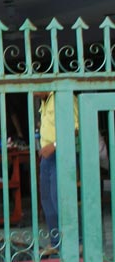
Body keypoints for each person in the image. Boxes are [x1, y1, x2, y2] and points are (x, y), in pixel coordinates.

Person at [36, 90, 78, 248]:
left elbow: (75, 128)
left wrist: (54, 146)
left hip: (61, 154)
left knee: (60, 199)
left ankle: (74, 242)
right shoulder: (44, 101)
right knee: (47, 200)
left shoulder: (64, 97)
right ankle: (56, 243)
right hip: (47, 157)